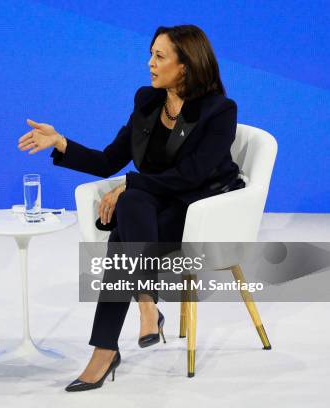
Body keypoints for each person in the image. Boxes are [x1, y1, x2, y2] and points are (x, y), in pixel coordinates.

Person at [18, 25, 244, 391]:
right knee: (133, 205)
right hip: (152, 205)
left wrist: (129, 184)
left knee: (125, 227)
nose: (149, 63)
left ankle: (107, 348)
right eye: (151, 54)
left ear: (185, 66)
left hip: (200, 210)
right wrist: (60, 143)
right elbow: (110, 159)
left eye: (160, 57)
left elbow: (192, 175)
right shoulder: (148, 103)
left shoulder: (218, 111)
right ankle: (144, 306)